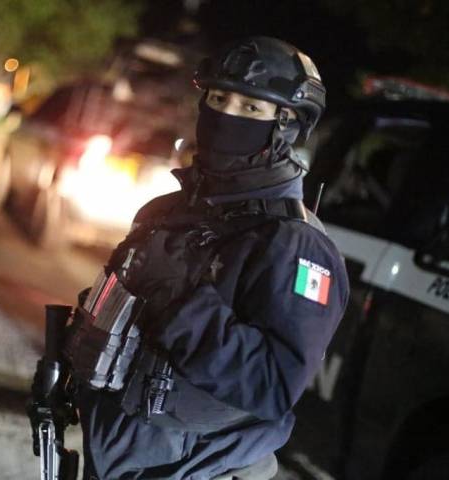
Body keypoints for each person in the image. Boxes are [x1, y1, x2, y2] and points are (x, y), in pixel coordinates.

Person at [66, 37, 349, 480]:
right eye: (218, 99)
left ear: (287, 126)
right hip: (120, 458)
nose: (226, 115)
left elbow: (273, 385)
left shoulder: (295, 244)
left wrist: (179, 305)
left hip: (202, 467)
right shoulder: (165, 212)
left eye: (251, 107)